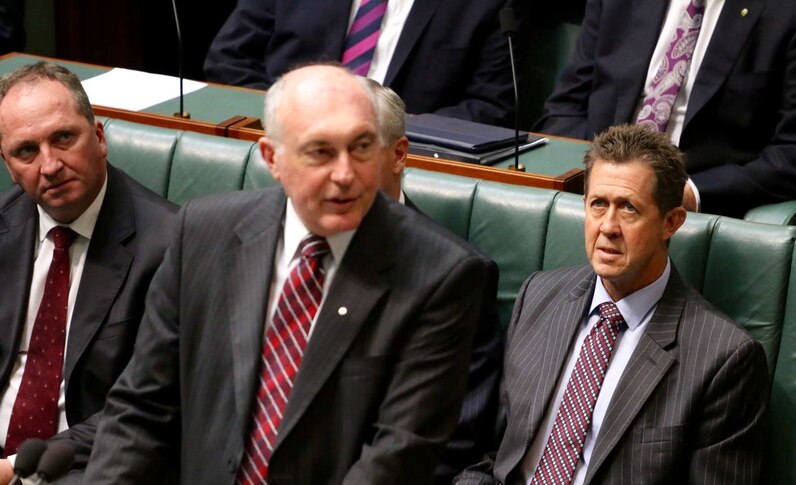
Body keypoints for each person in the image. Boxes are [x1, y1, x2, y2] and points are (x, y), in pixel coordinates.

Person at [84, 64, 491, 484]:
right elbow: (141, 409)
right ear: (272, 158)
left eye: (362, 147)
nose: (345, 174)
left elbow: (398, 456)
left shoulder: (440, 274)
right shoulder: (203, 232)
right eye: (320, 152)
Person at [457, 124, 769, 484]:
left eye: (628, 209)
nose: (607, 226)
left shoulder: (723, 359)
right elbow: (495, 455)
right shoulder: (539, 297)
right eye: (598, 204)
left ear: (671, 222)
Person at [0, 62, 178, 481]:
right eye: (27, 151)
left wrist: (10, 470)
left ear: (99, 138)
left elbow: (155, 405)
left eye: (64, 138)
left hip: (88, 465)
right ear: (8, 165)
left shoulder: (169, 246)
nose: (50, 165)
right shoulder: (4, 226)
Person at [534, 0, 796, 218]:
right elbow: (566, 107)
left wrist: (688, 194)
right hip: (592, 191)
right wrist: (591, 179)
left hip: (694, 206)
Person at [365, 78, 504, 483]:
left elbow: (455, 439)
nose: (338, 171)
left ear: (398, 154)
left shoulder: (459, 277)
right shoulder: (291, 249)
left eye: (359, 148)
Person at [203, 0, 515, 126]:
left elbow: (490, 106)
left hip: (400, 160)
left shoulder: (485, 4)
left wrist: (387, 131)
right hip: (283, 136)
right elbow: (229, 60)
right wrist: (292, 117)